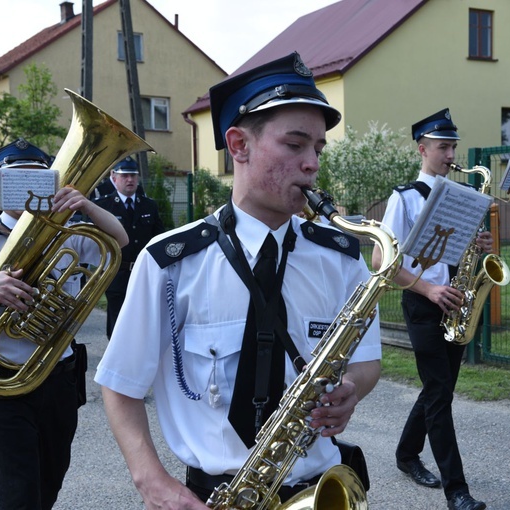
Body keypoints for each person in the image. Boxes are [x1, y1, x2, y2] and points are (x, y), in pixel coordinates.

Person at [95, 51, 382, 508]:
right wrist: (150, 480)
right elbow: (120, 383)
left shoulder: (342, 257)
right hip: (218, 496)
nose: (312, 163)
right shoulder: (170, 262)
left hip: (318, 489)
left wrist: (351, 389)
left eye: (318, 148)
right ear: (238, 145)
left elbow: (366, 362)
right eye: (294, 144)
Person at [0, 138, 129, 509]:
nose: (27, 185)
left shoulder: (71, 234)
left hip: (59, 376)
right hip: (1, 380)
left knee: (51, 478)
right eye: (14, 179)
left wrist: (86, 204)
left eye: (38, 178)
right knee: (18, 492)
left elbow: (120, 239)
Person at [372, 108, 490, 510]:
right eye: (443, 146)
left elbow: (462, 252)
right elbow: (379, 259)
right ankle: (457, 491)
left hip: (456, 301)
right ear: (422, 149)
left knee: (440, 388)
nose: (451, 153)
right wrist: (427, 289)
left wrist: (482, 247)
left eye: (453, 145)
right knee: (440, 392)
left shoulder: (461, 197)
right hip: (423, 303)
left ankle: (406, 454)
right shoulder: (403, 198)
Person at [92, 156, 165, 338]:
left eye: (133, 175)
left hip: (144, 273)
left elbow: (158, 239)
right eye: (125, 176)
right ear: (114, 177)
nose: (130, 180)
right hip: (117, 273)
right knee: (117, 324)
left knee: (144, 321)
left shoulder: (149, 205)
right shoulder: (102, 206)